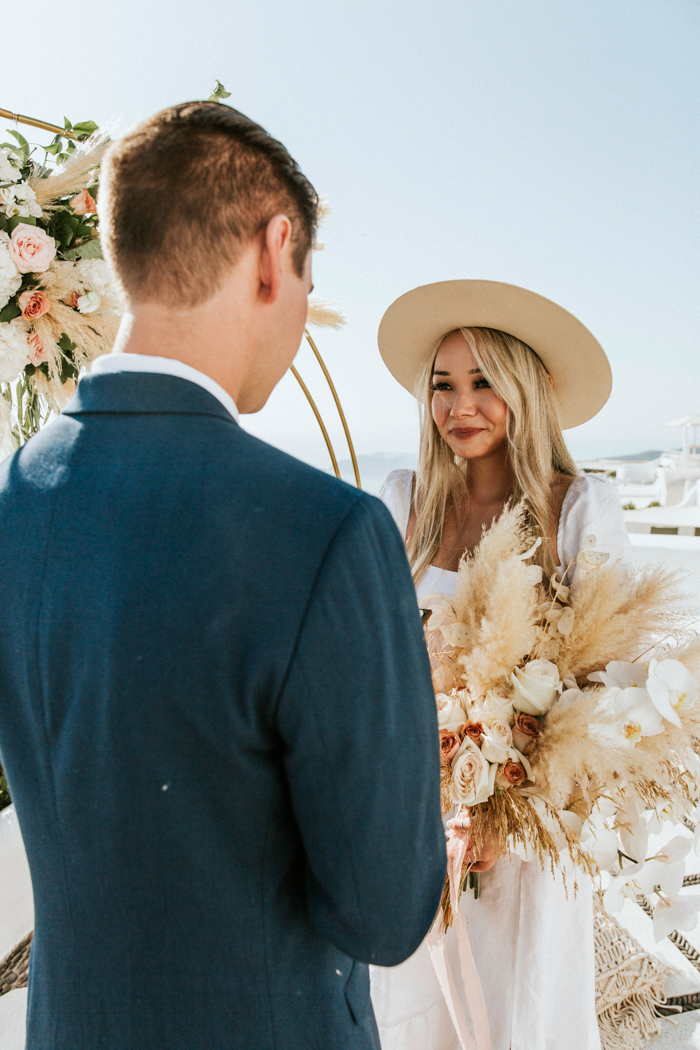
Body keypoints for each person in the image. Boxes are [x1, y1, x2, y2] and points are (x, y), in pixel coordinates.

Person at [0, 103, 446, 1050]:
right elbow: (385, 909)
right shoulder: (326, 531)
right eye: (307, 279)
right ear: (274, 248)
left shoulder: (14, 499)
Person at [369, 280, 631, 1050]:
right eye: (443, 386)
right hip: (414, 818)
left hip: (528, 834)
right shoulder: (400, 501)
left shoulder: (578, 509)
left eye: (485, 382)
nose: (461, 405)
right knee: (411, 1014)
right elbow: (370, 663)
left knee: (519, 1014)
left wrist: (502, 816)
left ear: (529, 388)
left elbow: (604, 685)